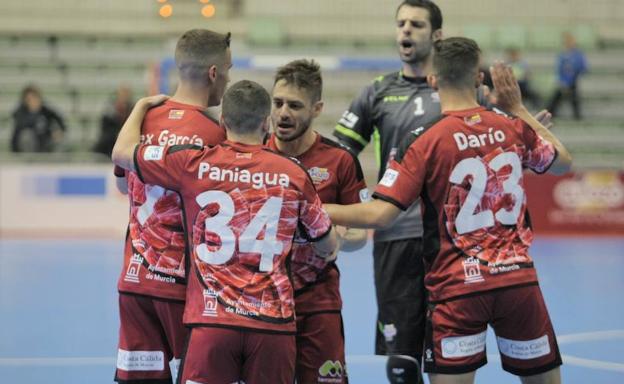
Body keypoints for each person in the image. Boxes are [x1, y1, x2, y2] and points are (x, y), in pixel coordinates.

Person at [326, 37, 571, 384]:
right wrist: (519, 109)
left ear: (432, 80)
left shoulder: (424, 139)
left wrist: (318, 207)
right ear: (478, 79)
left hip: (458, 289)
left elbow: (381, 215)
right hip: (516, 282)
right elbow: (563, 163)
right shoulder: (511, 126)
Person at [112, 80, 338, 384]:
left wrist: (141, 106)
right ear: (266, 123)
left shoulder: (193, 164)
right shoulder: (294, 173)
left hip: (211, 323)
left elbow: (123, 152)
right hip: (273, 326)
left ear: (222, 122)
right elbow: (327, 244)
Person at [332, 1, 443, 382]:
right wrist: (348, 211)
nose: (406, 31)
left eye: (416, 24)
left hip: (446, 240)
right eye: (401, 24)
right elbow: (340, 157)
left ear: (436, 35)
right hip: (395, 235)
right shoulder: (377, 92)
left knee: (450, 356)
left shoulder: (456, 93)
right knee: (402, 361)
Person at [113, 29, 231, 384]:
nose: (228, 78)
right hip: (184, 292)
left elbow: (122, 184)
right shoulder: (215, 134)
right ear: (214, 73)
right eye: (228, 69)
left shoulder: (141, 122)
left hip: (134, 282)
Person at [266, 59, 368, 384]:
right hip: (261, 299)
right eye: (278, 103)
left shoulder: (340, 161)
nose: (283, 113)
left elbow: (360, 233)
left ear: (317, 108)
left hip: (318, 299)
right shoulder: (252, 155)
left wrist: (338, 238)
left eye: (295, 105)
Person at [11, 84, 65, 152]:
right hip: (30, 145)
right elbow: (21, 128)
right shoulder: (20, 112)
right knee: (26, 136)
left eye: (35, 97)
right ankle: (29, 160)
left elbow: (59, 120)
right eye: (29, 99)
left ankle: (55, 161)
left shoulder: (45, 111)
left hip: (45, 142)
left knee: (59, 137)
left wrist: (58, 131)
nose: (33, 100)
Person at [547, 32, 588, 120]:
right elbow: (559, 69)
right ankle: (550, 113)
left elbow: (583, 67)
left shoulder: (578, 54)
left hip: (573, 80)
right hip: (563, 81)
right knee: (557, 97)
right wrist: (561, 80)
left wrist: (574, 74)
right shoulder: (562, 55)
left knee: (574, 98)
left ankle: (577, 116)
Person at [93, 85, 133, 157]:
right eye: (122, 93)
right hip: (110, 140)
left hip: (128, 139)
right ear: (118, 95)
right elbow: (105, 130)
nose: (124, 96)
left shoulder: (133, 109)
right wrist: (118, 134)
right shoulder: (109, 110)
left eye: (126, 93)